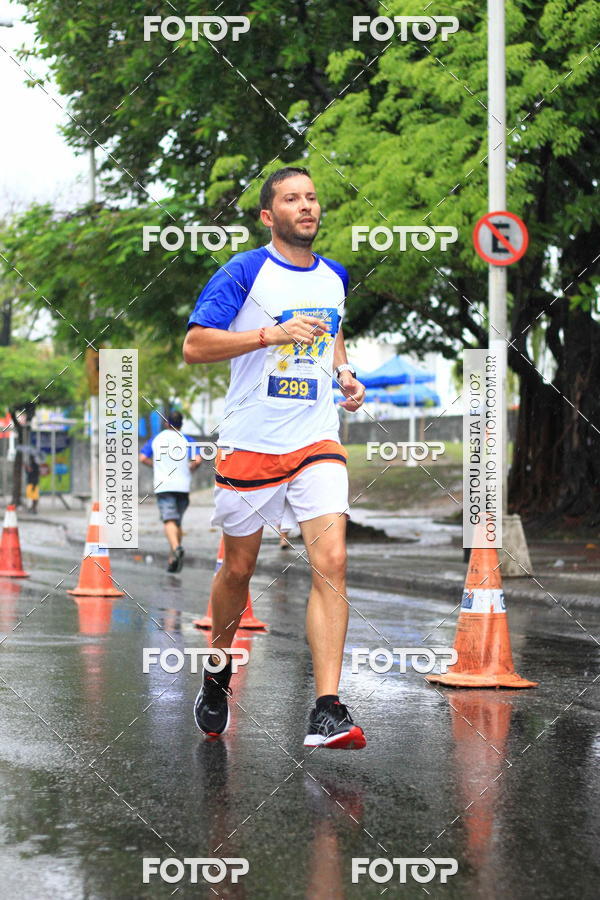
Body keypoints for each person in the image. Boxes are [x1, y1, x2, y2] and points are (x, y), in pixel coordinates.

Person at [183, 166, 367, 749]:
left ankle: (327, 708)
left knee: (332, 561)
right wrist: (271, 334)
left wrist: (345, 374)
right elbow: (194, 345)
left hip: (316, 438)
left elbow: (333, 333)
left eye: (311, 197)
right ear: (268, 215)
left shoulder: (335, 276)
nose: (306, 206)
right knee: (238, 570)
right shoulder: (243, 272)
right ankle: (218, 671)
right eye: (292, 198)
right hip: (252, 442)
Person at [139, 411, 201, 572]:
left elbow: (142, 458)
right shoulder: (188, 440)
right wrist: (190, 468)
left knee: (169, 520)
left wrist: (155, 466)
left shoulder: (156, 439)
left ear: (166, 423)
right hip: (183, 486)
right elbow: (197, 460)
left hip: (164, 486)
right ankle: (173, 558)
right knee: (177, 522)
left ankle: (176, 548)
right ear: (181, 424)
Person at [25, 450, 41, 514]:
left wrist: (34, 484)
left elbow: (36, 474)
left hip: (34, 483)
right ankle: (32, 508)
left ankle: (34, 508)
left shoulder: (35, 466)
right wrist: (26, 469)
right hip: (30, 482)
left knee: (35, 497)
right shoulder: (30, 465)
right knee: (30, 496)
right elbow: (28, 473)